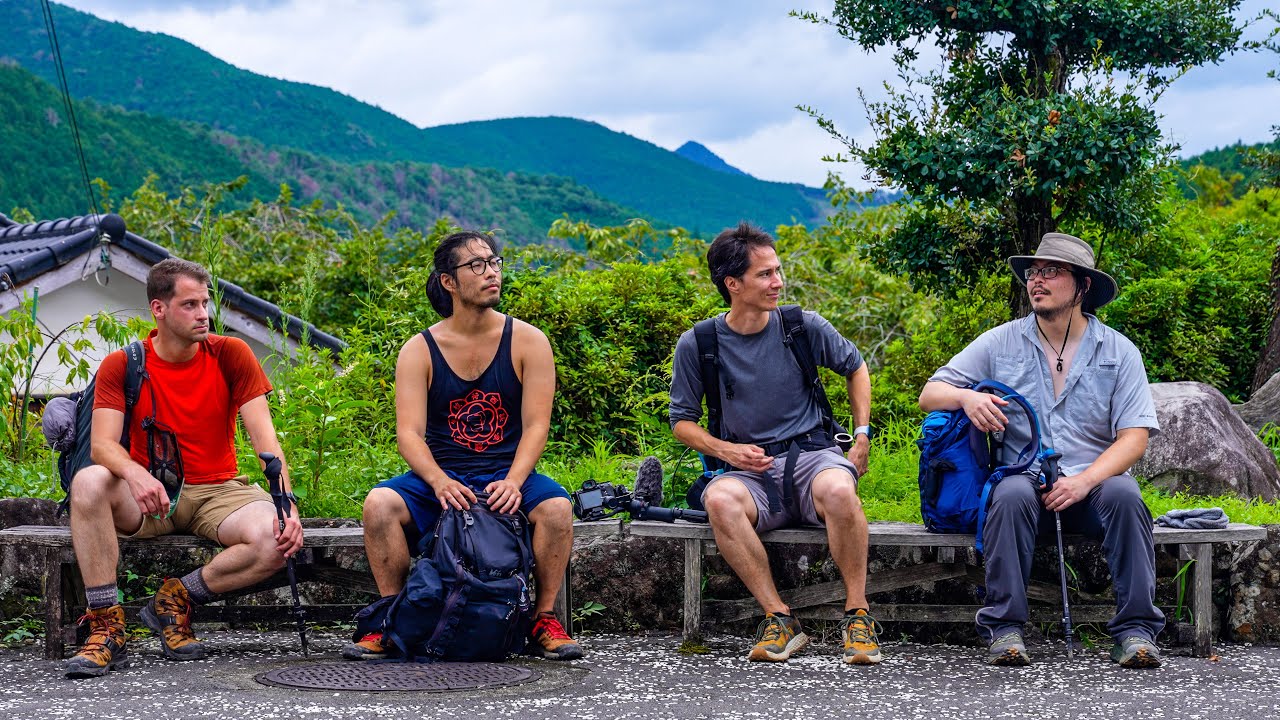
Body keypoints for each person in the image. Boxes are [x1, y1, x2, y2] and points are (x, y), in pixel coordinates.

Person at [919, 232, 1164, 668]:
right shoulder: (1001, 342)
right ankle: (1005, 628)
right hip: (1026, 479)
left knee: (1126, 496)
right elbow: (930, 392)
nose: (1038, 280)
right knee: (1009, 494)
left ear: (1083, 286)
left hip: (1093, 485)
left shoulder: (1119, 351)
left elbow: (1134, 438)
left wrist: (1085, 480)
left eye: (1052, 272)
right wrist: (968, 398)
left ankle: (1136, 631)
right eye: (1034, 272)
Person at [346, 230, 582, 661]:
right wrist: (437, 481)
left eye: (494, 262)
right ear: (448, 282)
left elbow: (535, 427)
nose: (491, 272)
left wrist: (514, 481)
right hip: (443, 477)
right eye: (476, 265)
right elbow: (409, 434)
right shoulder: (419, 349)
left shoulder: (528, 341)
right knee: (379, 504)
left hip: (505, 473)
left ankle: (543, 618)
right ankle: (389, 619)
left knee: (557, 509)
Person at [64, 258, 303, 678]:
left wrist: (287, 507)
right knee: (87, 483)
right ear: (159, 309)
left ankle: (176, 599)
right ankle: (106, 626)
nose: (203, 314)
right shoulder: (124, 364)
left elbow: (267, 443)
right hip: (148, 496)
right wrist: (136, 475)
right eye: (190, 305)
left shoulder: (231, 354)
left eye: (205, 303)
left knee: (276, 540)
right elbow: (102, 446)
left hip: (219, 490)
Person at [668, 222, 879, 665]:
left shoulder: (800, 326)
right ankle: (779, 617)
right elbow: (682, 423)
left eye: (778, 271)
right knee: (720, 500)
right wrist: (727, 452)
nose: (778, 282)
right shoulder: (700, 343)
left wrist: (861, 436)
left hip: (812, 457)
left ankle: (857, 615)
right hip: (749, 471)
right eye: (765, 274)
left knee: (841, 491)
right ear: (732, 284)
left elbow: (856, 367)